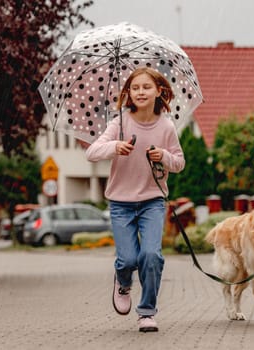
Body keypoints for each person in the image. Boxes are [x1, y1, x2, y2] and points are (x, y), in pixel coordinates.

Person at [85, 67, 185, 332]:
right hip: (120, 203)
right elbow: (92, 153)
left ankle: (147, 312)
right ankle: (123, 280)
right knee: (128, 259)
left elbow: (179, 163)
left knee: (151, 255)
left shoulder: (166, 125)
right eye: (135, 88)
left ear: (158, 91)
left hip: (153, 201)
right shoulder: (120, 122)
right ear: (128, 93)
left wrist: (163, 155)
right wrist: (114, 146)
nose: (141, 92)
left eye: (146, 87)